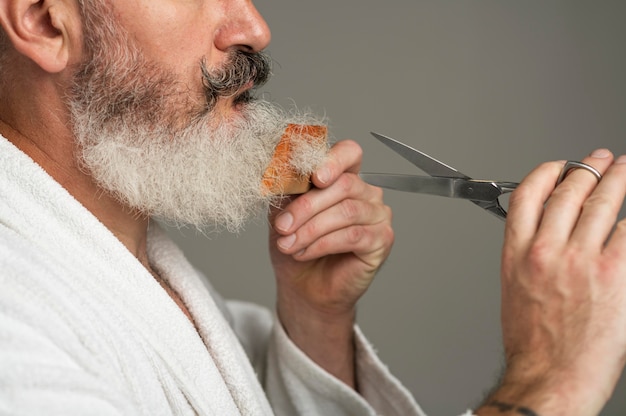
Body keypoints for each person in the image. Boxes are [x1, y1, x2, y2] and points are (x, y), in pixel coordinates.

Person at [0, 2, 625, 416]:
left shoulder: (134, 268)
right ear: (44, 20)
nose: (252, 26)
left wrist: (315, 324)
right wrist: (550, 379)